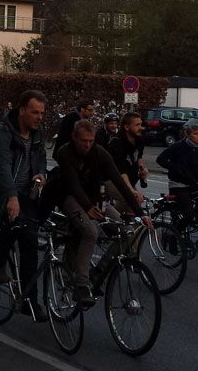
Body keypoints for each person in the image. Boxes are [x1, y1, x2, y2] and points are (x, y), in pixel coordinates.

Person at [56, 120, 150, 306]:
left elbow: (119, 183)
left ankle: (98, 273)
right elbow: (73, 184)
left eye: (91, 140)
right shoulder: (64, 152)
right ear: (74, 138)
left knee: (127, 231)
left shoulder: (100, 153)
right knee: (91, 232)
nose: (88, 145)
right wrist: (87, 206)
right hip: (71, 198)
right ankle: (82, 284)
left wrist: (141, 213)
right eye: (84, 141)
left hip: (96, 199)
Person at [0, 90, 49, 322]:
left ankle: (29, 300)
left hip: (27, 193)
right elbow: (2, 166)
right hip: (1, 193)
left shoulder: (37, 134)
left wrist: (40, 174)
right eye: (35, 112)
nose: (39, 117)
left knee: (30, 242)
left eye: (42, 113)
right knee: (17, 226)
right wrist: (11, 196)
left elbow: (41, 159)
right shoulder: (3, 132)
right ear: (22, 111)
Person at [106, 112, 149, 207]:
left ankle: (118, 218)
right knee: (131, 199)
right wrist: (132, 191)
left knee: (137, 203)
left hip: (128, 180)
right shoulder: (117, 143)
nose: (140, 127)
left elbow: (139, 157)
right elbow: (121, 171)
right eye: (137, 125)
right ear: (126, 127)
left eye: (140, 124)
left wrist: (142, 168)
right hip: (112, 179)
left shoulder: (139, 139)